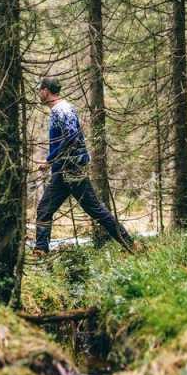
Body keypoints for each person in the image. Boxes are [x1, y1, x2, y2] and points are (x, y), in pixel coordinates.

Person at [33, 76, 134, 255]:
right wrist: (52, 163)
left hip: (71, 169)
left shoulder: (61, 110)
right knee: (45, 209)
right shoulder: (63, 109)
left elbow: (71, 137)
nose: (39, 93)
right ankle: (41, 251)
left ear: (46, 91)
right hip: (64, 170)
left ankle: (130, 244)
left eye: (40, 90)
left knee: (95, 210)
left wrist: (50, 160)